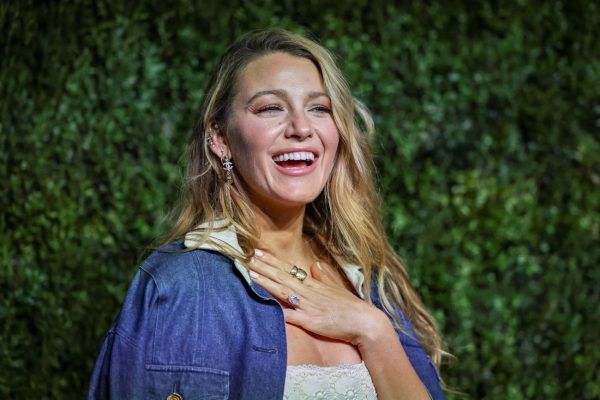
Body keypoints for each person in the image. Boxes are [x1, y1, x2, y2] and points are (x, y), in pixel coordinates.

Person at [87, 28, 446, 400]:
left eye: (319, 108)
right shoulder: (182, 289)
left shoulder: (366, 280)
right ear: (220, 138)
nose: (301, 128)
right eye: (271, 108)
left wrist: (373, 330)